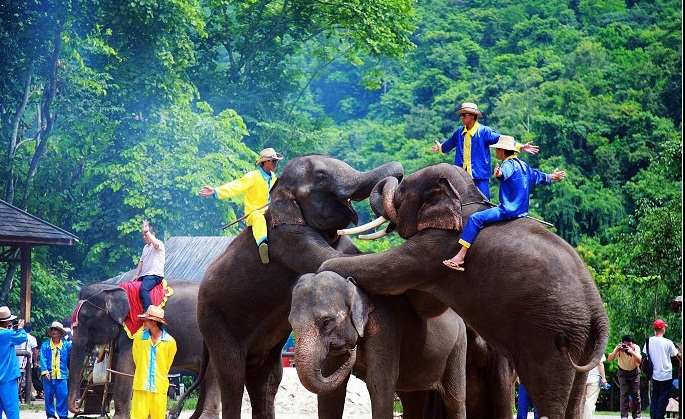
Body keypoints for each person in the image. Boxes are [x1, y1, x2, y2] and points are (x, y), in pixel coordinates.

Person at [442, 135, 566, 271]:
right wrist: (552, 177)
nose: (496, 152)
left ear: (502, 150)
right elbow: (538, 176)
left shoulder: (508, 164)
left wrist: (499, 174)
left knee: (475, 218)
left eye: (497, 150)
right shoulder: (524, 165)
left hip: (508, 210)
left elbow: (505, 173)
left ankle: (460, 257)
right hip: (521, 211)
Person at [431, 102, 539, 199]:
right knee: (458, 203)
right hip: (461, 175)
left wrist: (520, 146)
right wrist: (440, 147)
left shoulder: (484, 132)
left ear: (473, 116)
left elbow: (501, 139)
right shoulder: (459, 133)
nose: (461, 118)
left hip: (479, 176)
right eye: (461, 115)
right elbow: (447, 146)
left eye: (464, 115)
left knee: (484, 203)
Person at [199, 147, 283, 264]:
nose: (276, 163)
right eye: (274, 161)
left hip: (270, 211)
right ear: (266, 162)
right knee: (259, 219)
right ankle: (262, 245)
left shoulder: (274, 178)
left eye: (276, 161)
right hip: (253, 213)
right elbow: (236, 186)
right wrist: (216, 191)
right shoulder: (253, 176)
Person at [131, 305, 177, 419]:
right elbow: (136, 359)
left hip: (159, 387)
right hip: (141, 386)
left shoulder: (170, 342)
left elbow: (167, 365)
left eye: (146, 320)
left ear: (154, 322)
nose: (143, 322)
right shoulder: (139, 338)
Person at [644, 319, 681, 419]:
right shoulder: (668, 342)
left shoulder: (648, 341)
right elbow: (677, 355)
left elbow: (646, 356)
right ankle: (659, 416)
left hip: (654, 375)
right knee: (663, 398)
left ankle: (654, 416)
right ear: (662, 328)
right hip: (666, 375)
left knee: (655, 396)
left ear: (655, 329)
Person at [39, 321, 71, 419]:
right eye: (53, 329)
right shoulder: (45, 345)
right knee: (48, 397)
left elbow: (73, 356)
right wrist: (44, 371)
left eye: (56, 330)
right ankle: (51, 415)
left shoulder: (67, 345)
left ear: (61, 333)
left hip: (62, 376)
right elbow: (42, 358)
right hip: (48, 376)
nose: (54, 332)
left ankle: (63, 415)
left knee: (63, 396)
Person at [0, 306, 26, 419]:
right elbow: (22, 337)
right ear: (7, 322)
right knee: (12, 412)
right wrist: (20, 328)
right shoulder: (7, 334)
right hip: (7, 377)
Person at [134, 219, 165, 311]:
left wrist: (146, 231)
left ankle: (150, 312)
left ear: (153, 234)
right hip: (145, 275)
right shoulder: (145, 247)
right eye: (143, 235)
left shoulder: (159, 243)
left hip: (154, 275)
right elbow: (141, 262)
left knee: (143, 289)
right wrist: (136, 275)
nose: (144, 237)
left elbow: (155, 243)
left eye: (146, 235)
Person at [608, 335, 642, 418]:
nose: (627, 347)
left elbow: (639, 360)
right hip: (622, 373)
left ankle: (637, 416)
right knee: (624, 395)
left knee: (636, 395)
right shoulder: (619, 348)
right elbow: (609, 359)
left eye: (629, 344)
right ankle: (624, 416)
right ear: (622, 343)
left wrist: (631, 351)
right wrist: (616, 350)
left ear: (632, 343)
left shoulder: (636, 347)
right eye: (626, 345)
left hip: (634, 372)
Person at [583, 354, 607, 419]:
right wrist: (603, 378)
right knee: (590, 401)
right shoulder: (598, 348)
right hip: (594, 379)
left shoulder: (584, 347)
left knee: (582, 400)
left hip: (582, 379)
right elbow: (600, 364)